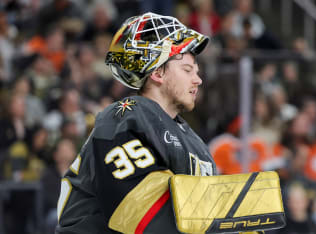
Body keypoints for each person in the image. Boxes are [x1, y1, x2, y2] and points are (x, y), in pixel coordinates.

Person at [56, 12, 285, 233]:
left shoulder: (195, 144)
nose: (198, 79)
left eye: (197, 70)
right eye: (187, 69)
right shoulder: (125, 116)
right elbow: (144, 214)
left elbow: (203, 218)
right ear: (157, 73)